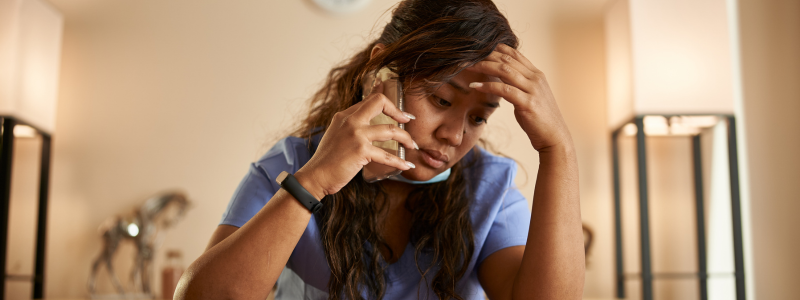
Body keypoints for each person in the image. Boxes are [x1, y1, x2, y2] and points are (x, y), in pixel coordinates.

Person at [175, 0, 584, 299]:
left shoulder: (487, 189)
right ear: (382, 74)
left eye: (479, 118)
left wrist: (559, 150)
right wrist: (314, 182)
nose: (456, 135)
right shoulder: (291, 165)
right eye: (442, 100)